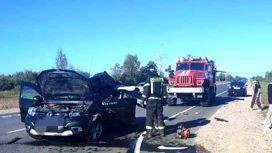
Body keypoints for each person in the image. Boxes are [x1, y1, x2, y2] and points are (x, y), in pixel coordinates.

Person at [141, 65, 167, 138]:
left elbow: (146, 91)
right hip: (159, 101)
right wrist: (164, 100)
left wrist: (142, 100)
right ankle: (162, 132)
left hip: (150, 101)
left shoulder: (148, 79)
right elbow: (164, 91)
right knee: (159, 116)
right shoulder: (161, 79)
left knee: (150, 116)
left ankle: (149, 133)